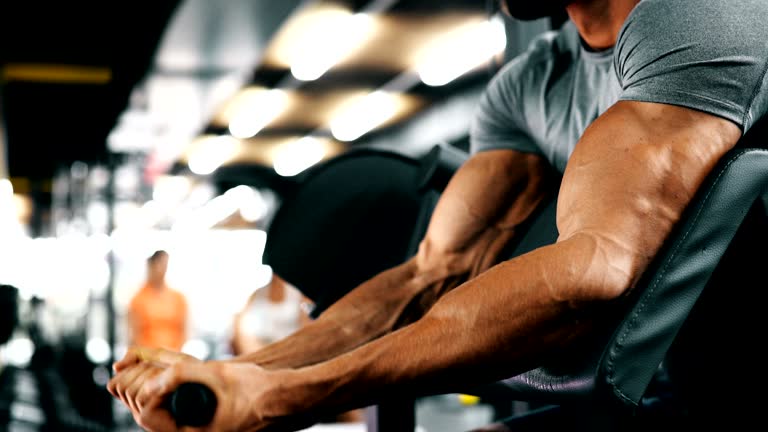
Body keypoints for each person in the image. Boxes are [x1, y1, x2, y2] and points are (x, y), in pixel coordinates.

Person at [107, 0, 768, 430]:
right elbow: (431, 275)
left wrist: (286, 399)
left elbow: (588, 276)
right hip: (658, 395)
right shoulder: (530, 83)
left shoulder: (696, 19)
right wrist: (244, 376)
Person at [126, 250, 188, 352]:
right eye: (158, 264)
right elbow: (134, 335)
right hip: (147, 358)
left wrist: (173, 355)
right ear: (150, 266)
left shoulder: (178, 298)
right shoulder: (138, 299)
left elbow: (183, 331)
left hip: (173, 357)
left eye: (164, 264)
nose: (162, 268)